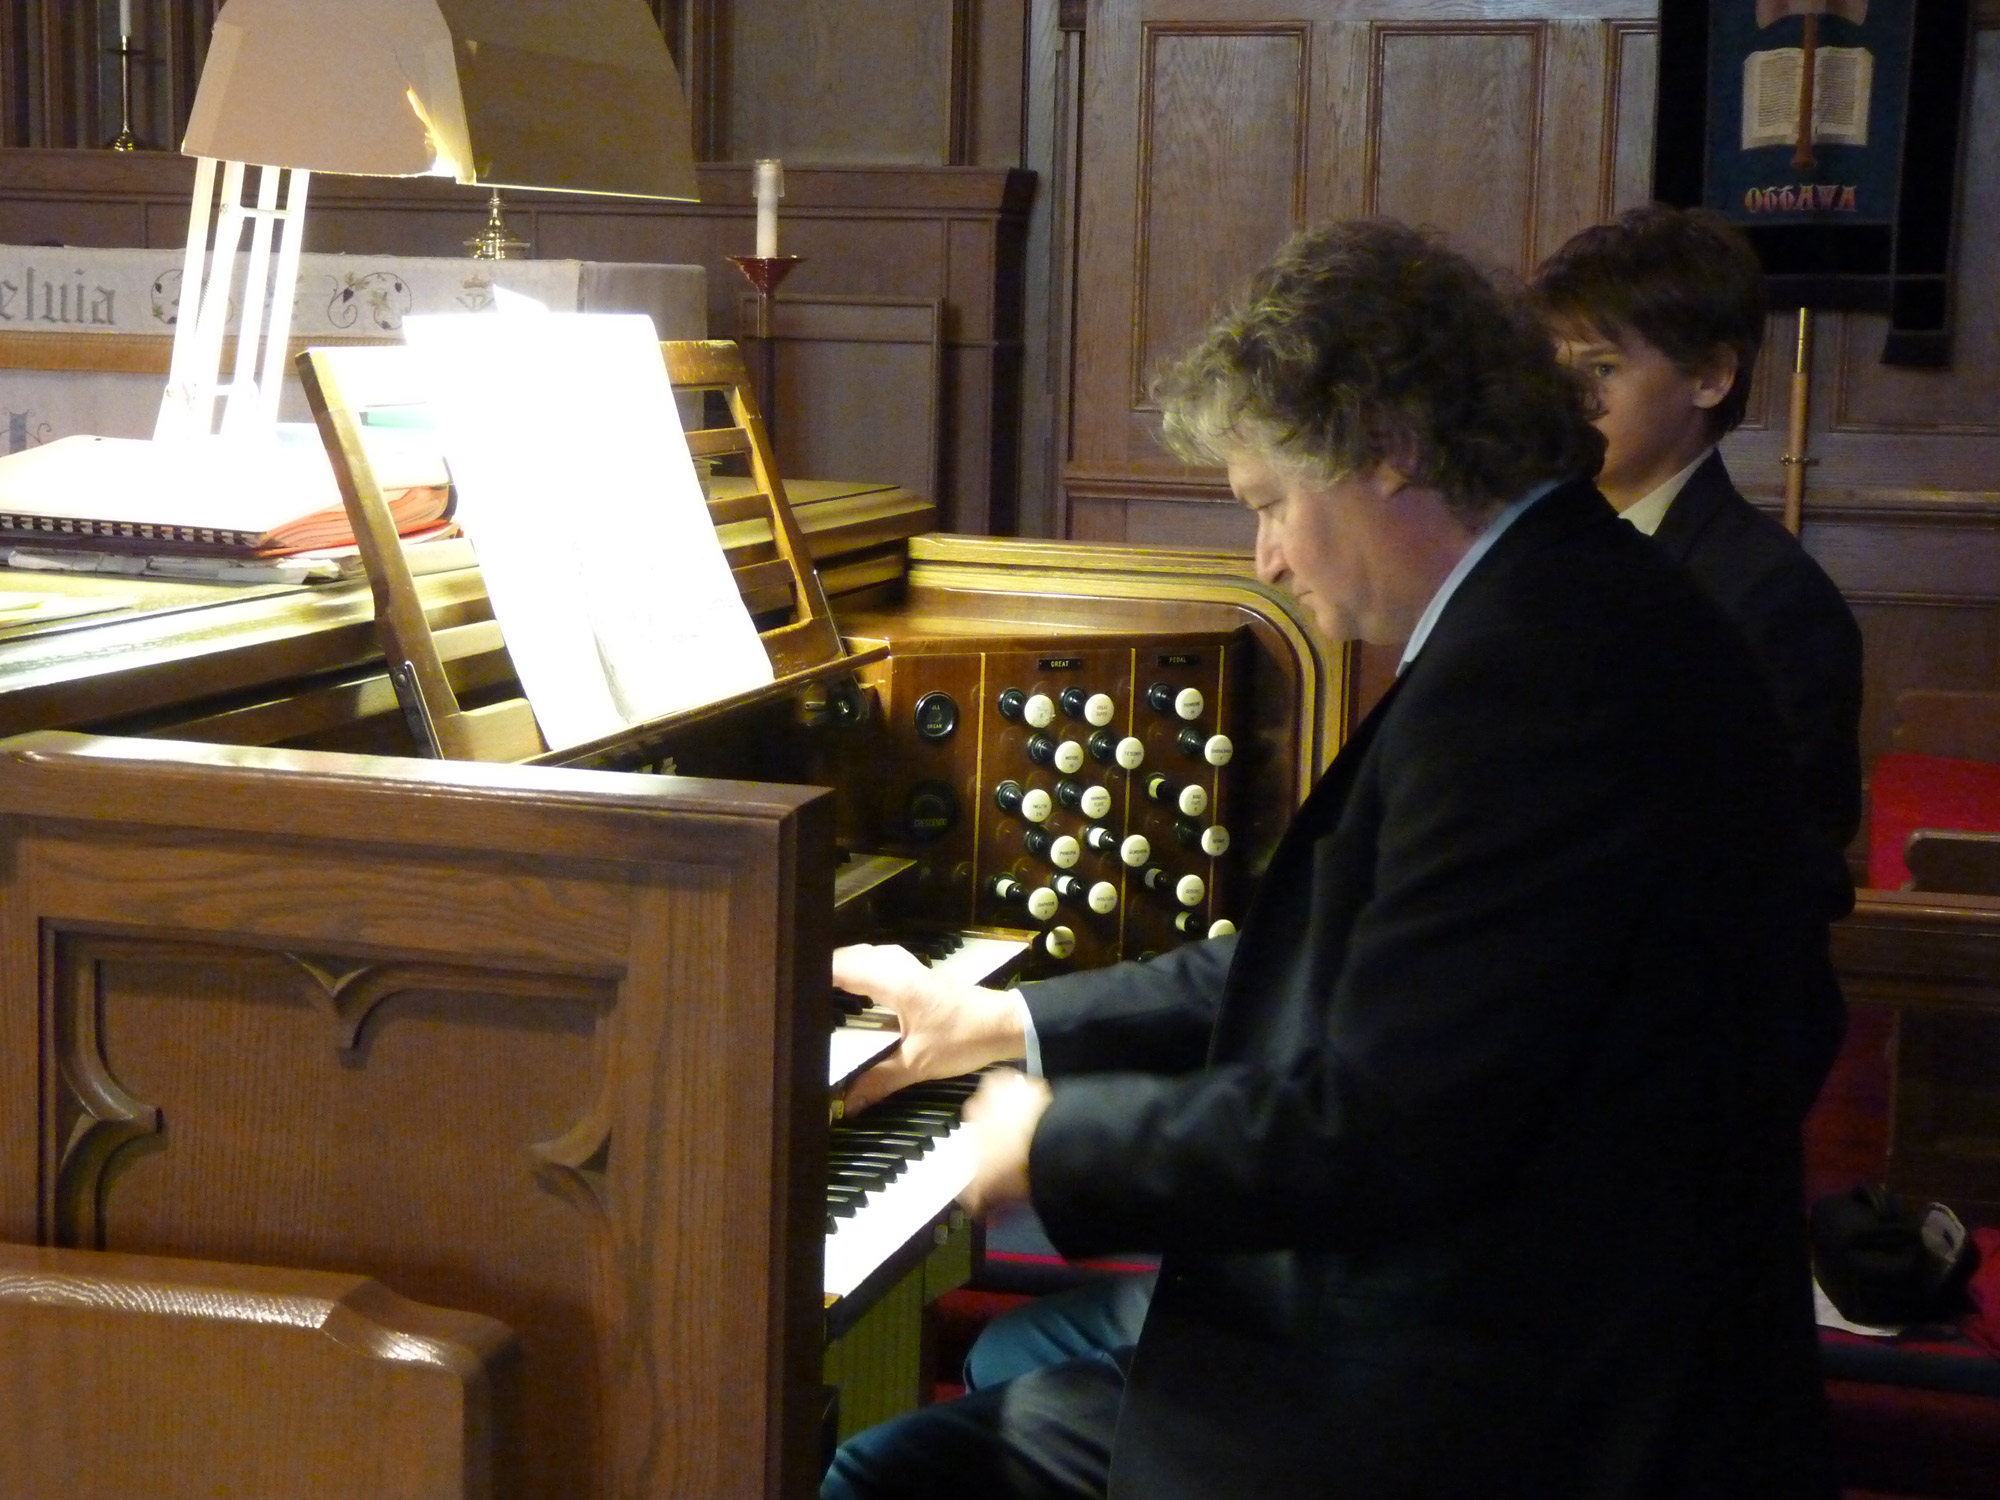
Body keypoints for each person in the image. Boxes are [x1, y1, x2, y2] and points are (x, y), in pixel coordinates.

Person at [823, 218, 1834, 1500]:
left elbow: (1378, 1126)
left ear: (1388, 449)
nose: (1266, 560)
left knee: (895, 1481)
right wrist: (1000, 1017)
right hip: (1514, 1324)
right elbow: (1340, 967)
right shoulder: (1559, 608)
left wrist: (1055, 1142)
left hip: (1524, 1406)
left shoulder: (1536, 680)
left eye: (1268, 505)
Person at [1530, 202, 1862, 1109]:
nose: (1569, 400)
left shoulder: (1770, 594)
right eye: (1554, 368)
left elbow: (1784, 876)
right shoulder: (1546, 554)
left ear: (1712, 376)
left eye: (1600, 368)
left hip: (1691, 1052)